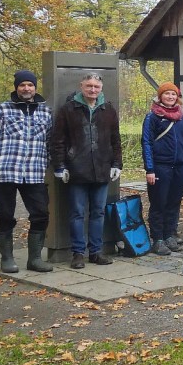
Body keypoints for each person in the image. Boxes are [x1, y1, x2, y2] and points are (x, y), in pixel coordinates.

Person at [0, 70, 54, 273]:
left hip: (34, 173)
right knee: (5, 215)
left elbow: (50, 141)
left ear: (35, 88)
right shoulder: (2, 109)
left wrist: (46, 161)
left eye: (30, 85)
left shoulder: (45, 112)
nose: (26, 88)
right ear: (16, 87)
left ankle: (35, 259)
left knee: (41, 214)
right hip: (5, 171)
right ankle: (7, 258)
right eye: (22, 85)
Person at [49, 73, 122, 269]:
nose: (92, 90)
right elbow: (58, 141)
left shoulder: (108, 109)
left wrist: (117, 164)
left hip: (102, 168)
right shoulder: (68, 109)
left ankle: (95, 252)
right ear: (81, 86)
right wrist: (60, 166)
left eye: (96, 87)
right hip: (77, 169)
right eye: (89, 86)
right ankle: (78, 253)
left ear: (101, 88)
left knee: (98, 212)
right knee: (77, 213)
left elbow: (115, 139)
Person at [142, 82, 183, 256]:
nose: (171, 97)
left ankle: (169, 235)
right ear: (160, 96)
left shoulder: (182, 117)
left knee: (174, 203)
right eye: (167, 94)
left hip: (179, 167)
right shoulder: (152, 117)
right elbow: (147, 143)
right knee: (159, 203)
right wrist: (149, 169)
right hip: (160, 167)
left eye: (173, 94)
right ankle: (157, 238)